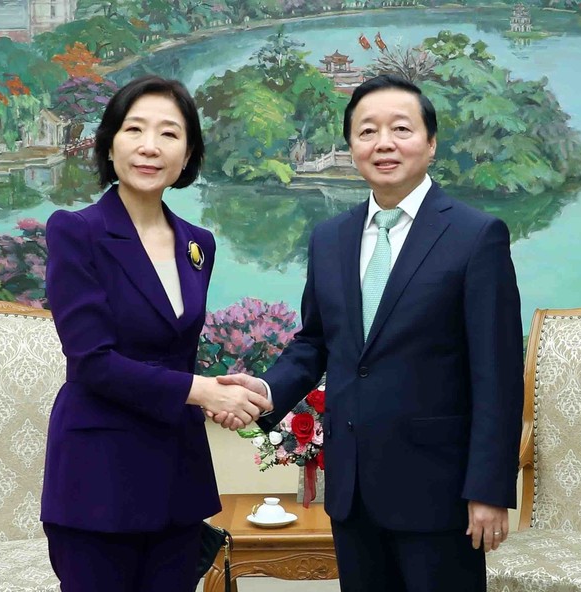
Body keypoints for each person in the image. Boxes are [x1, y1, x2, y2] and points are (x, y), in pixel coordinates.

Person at [216, 74, 524, 591]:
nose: (383, 143)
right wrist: (266, 391)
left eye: (400, 128)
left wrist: (489, 489)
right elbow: (315, 341)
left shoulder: (476, 235)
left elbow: (497, 373)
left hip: (440, 491)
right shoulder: (330, 238)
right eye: (367, 131)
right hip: (353, 489)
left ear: (430, 143)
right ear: (352, 146)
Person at [40, 75, 271, 592]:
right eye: (134, 129)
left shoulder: (199, 244)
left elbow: (171, 353)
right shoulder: (76, 232)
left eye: (169, 133)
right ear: (110, 143)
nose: (150, 147)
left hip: (176, 475)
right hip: (97, 476)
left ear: (188, 153)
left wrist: (219, 387)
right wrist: (200, 391)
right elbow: (92, 361)